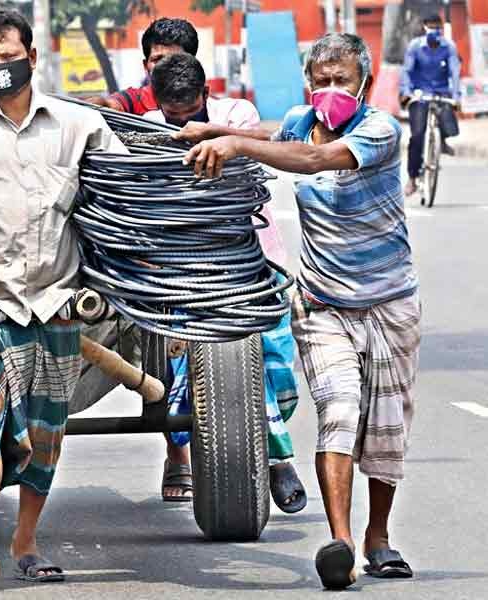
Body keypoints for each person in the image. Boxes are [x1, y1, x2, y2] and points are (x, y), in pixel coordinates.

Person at [180, 33, 419, 590]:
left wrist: (237, 147)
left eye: (343, 79)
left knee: (384, 431)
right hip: (322, 304)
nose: (333, 89)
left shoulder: (379, 130)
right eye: (324, 79)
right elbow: (276, 134)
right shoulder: (298, 118)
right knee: (338, 410)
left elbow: (312, 159)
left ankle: (377, 538)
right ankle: (340, 543)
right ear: (310, 84)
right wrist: (218, 131)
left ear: (364, 83)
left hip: (389, 303)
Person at [0, 9, 127, 592]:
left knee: (45, 434)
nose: (0, 69)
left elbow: (121, 194)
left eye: (7, 57)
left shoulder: (78, 126)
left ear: (32, 58)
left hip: (57, 305)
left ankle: (26, 541)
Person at [148, 53, 306, 512]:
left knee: (273, 360)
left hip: (249, 260)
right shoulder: (145, 128)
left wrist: (214, 135)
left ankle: (269, 448)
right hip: (180, 272)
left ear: (205, 96)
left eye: (191, 113)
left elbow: (274, 138)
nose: (183, 122)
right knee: (190, 368)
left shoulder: (236, 116)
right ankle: (279, 459)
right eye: (173, 117)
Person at [400, 13, 461, 196]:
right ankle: (412, 179)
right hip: (419, 93)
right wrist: (406, 92)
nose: (434, 29)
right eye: (430, 25)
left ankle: (441, 140)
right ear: (424, 27)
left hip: (441, 91)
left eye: (437, 26)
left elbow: (455, 72)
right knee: (417, 135)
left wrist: (457, 96)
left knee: (447, 117)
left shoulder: (449, 47)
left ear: (441, 29)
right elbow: (407, 71)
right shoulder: (415, 47)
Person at [86, 17, 198, 114]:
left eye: (175, 59)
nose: (165, 67)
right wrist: (92, 106)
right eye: (158, 59)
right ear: (146, 66)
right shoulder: (133, 101)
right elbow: (110, 105)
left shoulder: (211, 107)